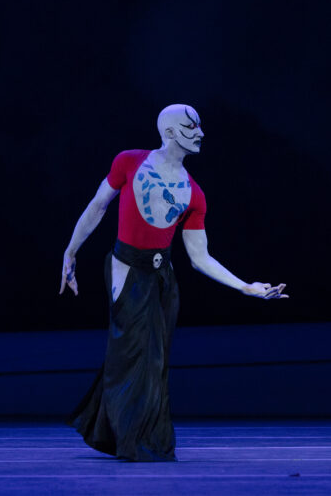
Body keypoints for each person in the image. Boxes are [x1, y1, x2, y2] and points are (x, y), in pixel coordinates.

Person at [61, 104, 288, 462]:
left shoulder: (194, 194)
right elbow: (98, 205)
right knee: (130, 353)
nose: (200, 132)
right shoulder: (129, 162)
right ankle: (126, 438)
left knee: (155, 360)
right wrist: (71, 252)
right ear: (169, 132)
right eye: (190, 126)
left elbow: (200, 258)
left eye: (199, 126)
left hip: (163, 277)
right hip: (125, 267)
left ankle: (140, 439)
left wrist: (245, 286)